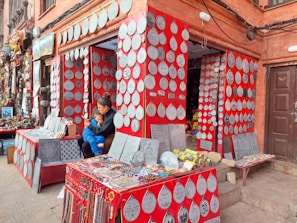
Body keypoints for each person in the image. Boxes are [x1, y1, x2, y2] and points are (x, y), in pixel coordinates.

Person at [77, 93, 116, 158]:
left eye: (99, 107)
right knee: (80, 140)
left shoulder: (112, 116)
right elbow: (97, 120)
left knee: (86, 145)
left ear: (106, 107)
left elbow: (102, 131)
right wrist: (91, 122)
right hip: (99, 132)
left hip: (106, 136)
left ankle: (93, 160)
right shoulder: (104, 113)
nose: (98, 109)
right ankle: (86, 159)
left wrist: (89, 125)